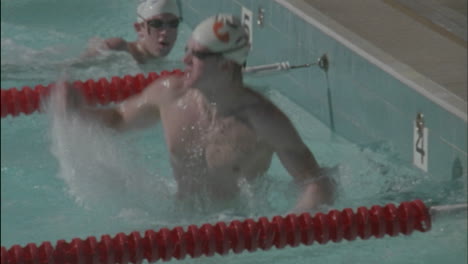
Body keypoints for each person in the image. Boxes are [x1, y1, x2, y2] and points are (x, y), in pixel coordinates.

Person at [64, 14, 336, 212]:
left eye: (198, 55)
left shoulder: (263, 120)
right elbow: (118, 119)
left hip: (231, 232)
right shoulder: (169, 94)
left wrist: (284, 229)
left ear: (227, 64)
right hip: (179, 222)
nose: (185, 61)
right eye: (187, 51)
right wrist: (78, 111)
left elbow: (315, 182)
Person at [83, 0, 181, 64]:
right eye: (156, 24)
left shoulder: (171, 65)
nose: (165, 32)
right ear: (139, 29)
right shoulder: (118, 48)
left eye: (173, 24)